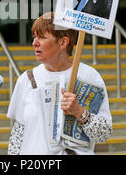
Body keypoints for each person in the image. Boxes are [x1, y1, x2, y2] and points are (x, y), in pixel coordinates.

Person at [7, 12, 112, 155]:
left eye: (42, 37)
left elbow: (103, 134)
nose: (34, 43)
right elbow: (17, 135)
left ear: (63, 42)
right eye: (34, 37)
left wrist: (79, 112)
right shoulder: (26, 80)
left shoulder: (90, 77)